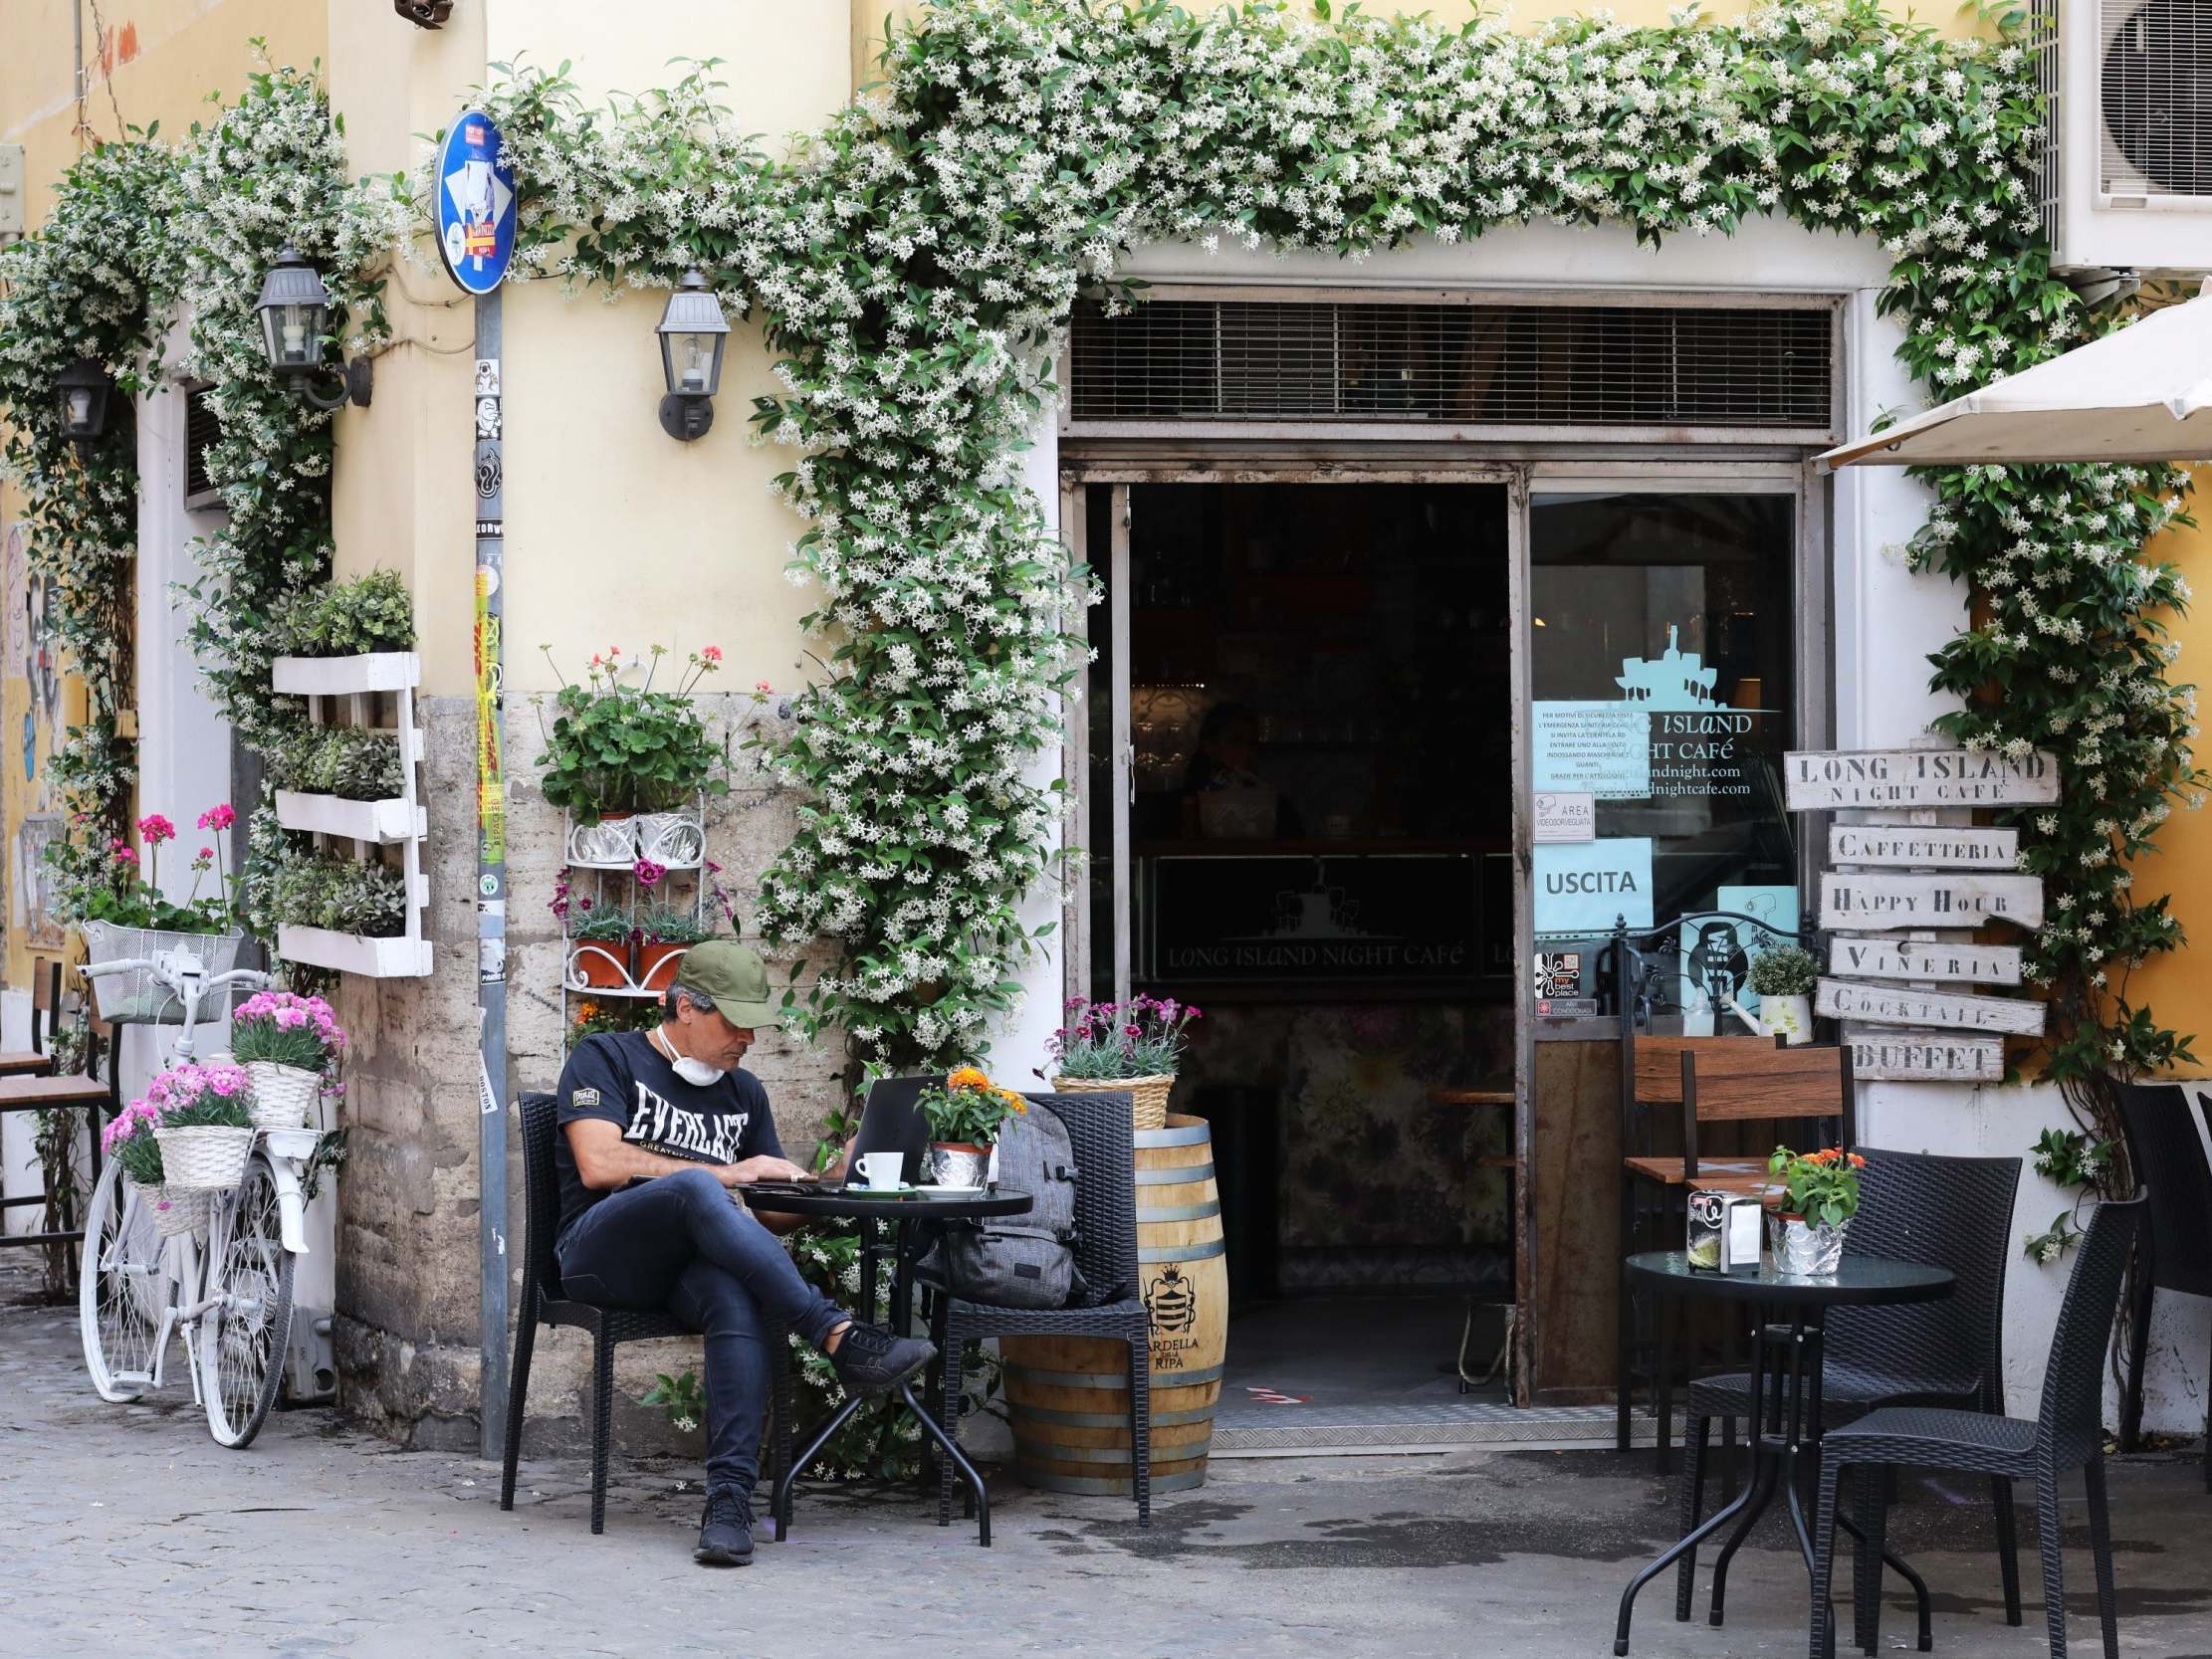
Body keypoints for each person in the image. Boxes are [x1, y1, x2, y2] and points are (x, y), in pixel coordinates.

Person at [553, 939, 936, 1566]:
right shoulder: (604, 1057)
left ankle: (728, 1502)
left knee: (737, 1294)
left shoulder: (744, 1092)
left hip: (684, 1275)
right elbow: (598, 1165)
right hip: (600, 1257)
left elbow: (770, 1217)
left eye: (753, 1026)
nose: (747, 1041)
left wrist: (830, 1179)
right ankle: (835, 1333)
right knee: (699, 1186)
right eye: (734, 1023)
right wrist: (726, 1172)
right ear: (682, 1007)